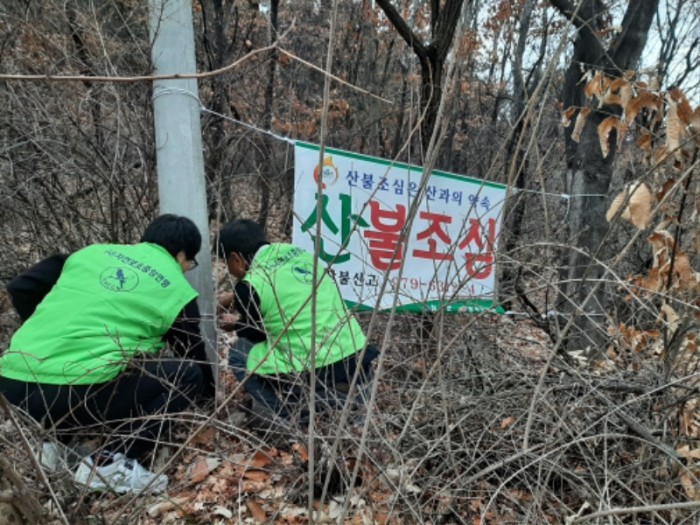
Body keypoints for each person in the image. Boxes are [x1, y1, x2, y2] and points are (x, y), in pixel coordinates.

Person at [0, 214, 215, 494]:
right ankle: (111, 464)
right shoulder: (176, 289)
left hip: (12, 383)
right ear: (181, 254)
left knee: (79, 366)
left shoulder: (88, 254)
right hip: (73, 391)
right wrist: (210, 399)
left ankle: (55, 451)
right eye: (190, 263)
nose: (187, 268)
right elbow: (192, 353)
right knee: (186, 375)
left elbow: (20, 288)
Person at [216, 219, 378, 427]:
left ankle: (287, 419)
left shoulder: (250, 286)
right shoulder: (300, 254)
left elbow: (256, 333)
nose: (229, 271)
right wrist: (234, 297)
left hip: (313, 368)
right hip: (357, 360)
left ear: (236, 258)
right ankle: (350, 406)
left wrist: (235, 325)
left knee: (240, 353)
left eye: (226, 264)